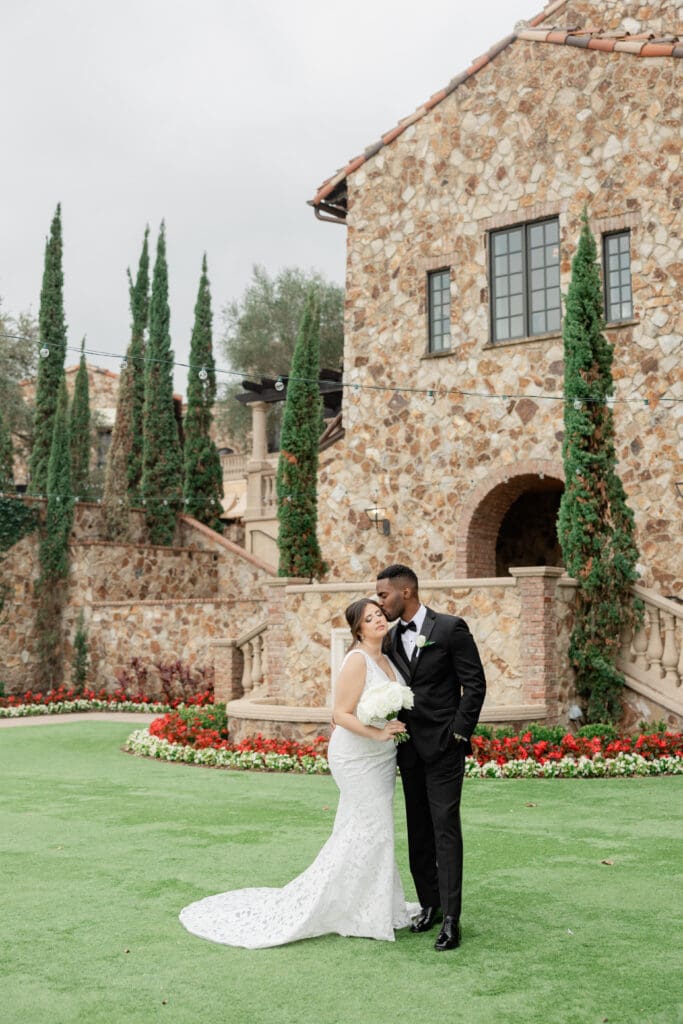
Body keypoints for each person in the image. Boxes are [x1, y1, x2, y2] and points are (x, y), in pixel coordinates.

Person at [179, 597, 415, 948]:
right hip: (356, 756)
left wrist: (387, 731)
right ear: (358, 629)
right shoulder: (357, 660)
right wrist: (379, 732)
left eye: (379, 614)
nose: (378, 620)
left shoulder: (388, 656)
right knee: (372, 828)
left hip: (380, 758)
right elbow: (341, 714)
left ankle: (372, 904)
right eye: (369, 618)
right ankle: (360, 912)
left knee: (368, 828)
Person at [375, 564, 486, 952]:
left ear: (406, 592)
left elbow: (474, 684)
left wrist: (458, 732)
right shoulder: (388, 640)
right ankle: (430, 905)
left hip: (444, 747)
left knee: (445, 828)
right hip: (408, 750)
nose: (379, 602)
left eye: (383, 595)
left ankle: (453, 919)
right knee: (418, 831)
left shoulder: (450, 628)